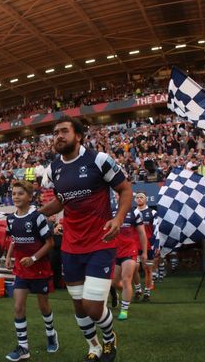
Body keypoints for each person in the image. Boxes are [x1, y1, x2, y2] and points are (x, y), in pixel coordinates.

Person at [39, 116, 133, 362]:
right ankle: (94, 346)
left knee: (93, 306)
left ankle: (110, 338)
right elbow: (61, 200)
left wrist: (119, 219)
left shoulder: (98, 160)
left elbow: (125, 189)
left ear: (78, 135)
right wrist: (37, 214)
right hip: (71, 245)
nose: (58, 136)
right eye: (55, 132)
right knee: (79, 305)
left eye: (63, 131)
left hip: (100, 243)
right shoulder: (54, 169)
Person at [4, 180, 59, 361]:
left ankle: (51, 334)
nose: (16, 197)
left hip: (40, 269)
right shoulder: (11, 219)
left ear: (29, 196)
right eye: (14, 194)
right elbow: (13, 239)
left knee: (43, 306)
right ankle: (23, 348)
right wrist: (9, 256)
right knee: (18, 306)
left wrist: (34, 258)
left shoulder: (38, 217)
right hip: (21, 269)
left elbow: (50, 243)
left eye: (20, 193)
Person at [111, 198, 147, 321]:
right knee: (114, 282)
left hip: (129, 250)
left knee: (126, 279)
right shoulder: (111, 211)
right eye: (117, 194)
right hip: (115, 251)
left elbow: (142, 233)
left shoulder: (135, 212)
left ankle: (124, 309)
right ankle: (123, 293)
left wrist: (144, 252)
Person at [132, 192, 157, 302]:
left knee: (148, 270)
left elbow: (156, 230)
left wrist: (157, 244)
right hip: (134, 245)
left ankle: (147, 293)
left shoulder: (153, 212)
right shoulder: (132, 212)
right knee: (134, 268)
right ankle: (138, 290)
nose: (139, 199)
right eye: (137, 197)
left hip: (148, 245)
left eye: (141, 197)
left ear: (146, 199)